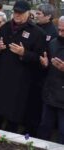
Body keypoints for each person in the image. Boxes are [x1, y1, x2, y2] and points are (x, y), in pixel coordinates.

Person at [0, 0, 47, 134]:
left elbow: (40, 59)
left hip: (20, 82)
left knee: (12, 117)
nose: (17, 15)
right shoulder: (5, 28)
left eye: (21, 13)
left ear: (28, 14)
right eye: (15, 12)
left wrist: (24, 53)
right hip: (1, 78)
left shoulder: (37, 33)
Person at [38, 16, 64, 144]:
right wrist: (45, 64)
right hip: (50, 94)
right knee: (44, 128)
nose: (60, 33)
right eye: (59, 30)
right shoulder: (53, 43)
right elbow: (47, 68)